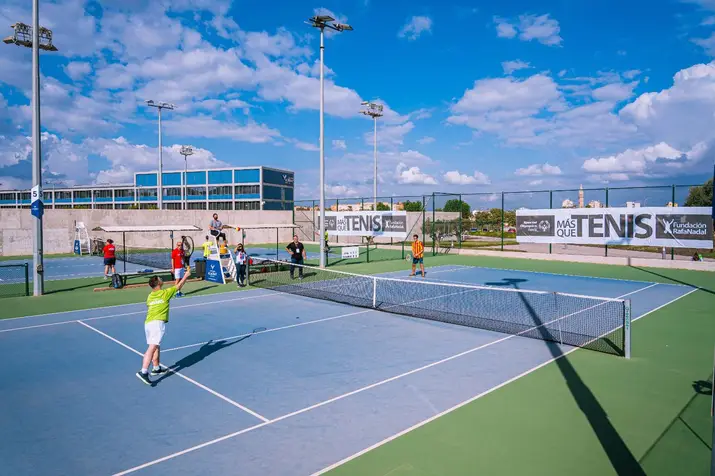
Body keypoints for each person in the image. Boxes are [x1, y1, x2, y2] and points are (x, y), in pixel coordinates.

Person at [135, 268, 191, 386]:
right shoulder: (165, 293)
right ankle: (143, 371)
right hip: (157, 323)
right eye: (160, 279)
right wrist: (186, 275)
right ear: (158, 283)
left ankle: (156, 368)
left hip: (148, 323)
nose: (161, 279)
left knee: (156, 345)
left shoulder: (150, 296)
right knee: (152, 347)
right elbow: (179, 286)